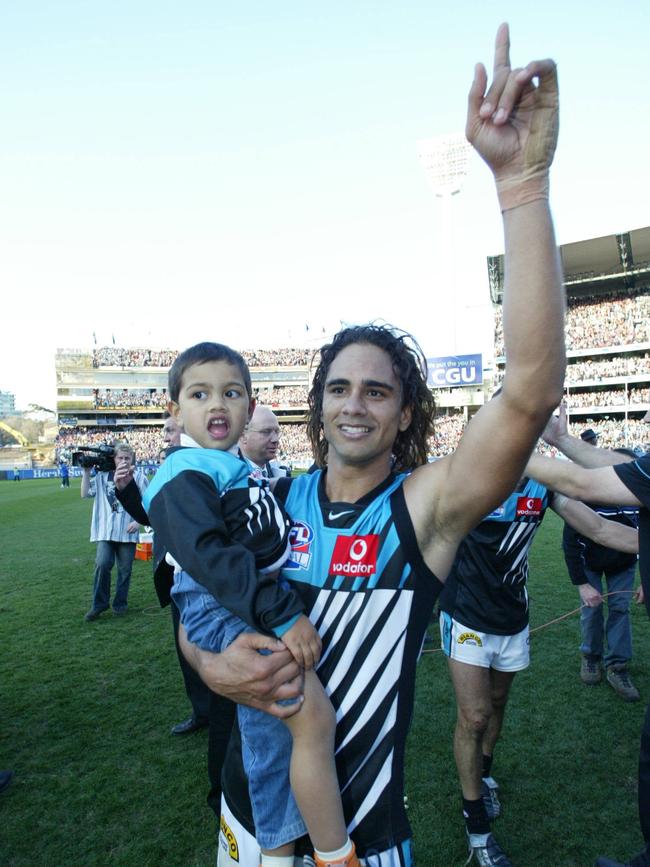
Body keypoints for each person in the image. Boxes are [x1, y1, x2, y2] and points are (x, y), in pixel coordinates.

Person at [181, 24, 565, 866]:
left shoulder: (424, 508)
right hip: (251, 811)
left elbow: (531, 391)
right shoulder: (269, 501)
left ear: (403, 415)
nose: (355, 405)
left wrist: (523, 186)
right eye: (340, 388)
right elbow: (196, 609)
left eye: (378, 391)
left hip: (359, 834)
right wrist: (210, 668)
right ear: (316, 406)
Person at [144, 342, 359, 867]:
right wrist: (281, 611)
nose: (217, 405)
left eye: (231, 393)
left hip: (239, 600)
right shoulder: (186, 471)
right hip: (226, 605)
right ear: (175, 411)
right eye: (200, 394)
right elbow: (211, 558)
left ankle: (294, 849)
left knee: (288, 728)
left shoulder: (226, 467)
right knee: (296, 721)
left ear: (249, 405)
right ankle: (320, 853)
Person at [439, 479, 639, 863]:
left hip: (513, 615)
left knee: (497, 702)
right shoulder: (471, 470)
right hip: (465, 614)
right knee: (474, 715)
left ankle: (484, 773)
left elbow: (598, 528)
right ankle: (476, 825)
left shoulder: (540, 484)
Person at [526, 405, 650, 867]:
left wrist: (506, 446)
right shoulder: (635, 469)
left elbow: (582, 486)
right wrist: (559, 441)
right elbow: (598, 517)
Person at [115, 415, 213, 737]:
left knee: (213, 648)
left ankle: (223, 714)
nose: (165, 438)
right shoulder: (168, 470)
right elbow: (149, 514)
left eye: (170, 431)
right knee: (187, 651)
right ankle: (202, 712)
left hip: (206, 577)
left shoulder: (203, 465)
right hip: (175, 576)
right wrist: (127, 489)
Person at [562, 448, 640, 700]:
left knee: (620, 609)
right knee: (591, 608)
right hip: (590, 564)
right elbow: (571, 544)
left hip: (624, 563)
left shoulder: (640, 498)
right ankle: (591, 657)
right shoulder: (586, 497)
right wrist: (583, 584)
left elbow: (647, 540)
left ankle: (617, 666)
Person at [81, 443, 148, 621]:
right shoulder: (103, 476)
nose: (124, 461)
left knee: (125, 570)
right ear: (114, 459)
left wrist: (137, 521)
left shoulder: (139, 477)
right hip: (105, 531)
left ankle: (120, 604)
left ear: (132, 459)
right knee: (102, 564)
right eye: (120, 458)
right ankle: (99, 604)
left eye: (127, 458)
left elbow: (148, 503)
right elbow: (85, 493)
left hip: (127, 532)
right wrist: (86, 472)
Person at [239, 405, 291, 480]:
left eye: (277, 432)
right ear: (243, 436)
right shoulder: (227, 479)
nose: (275, 439)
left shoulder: (279, 474)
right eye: (266, 432)